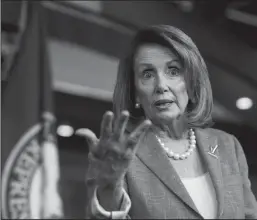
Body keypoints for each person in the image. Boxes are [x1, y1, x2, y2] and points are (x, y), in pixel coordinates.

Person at [79, 25, 257, 219]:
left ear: (192, 82)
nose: (161, 85)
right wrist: (108, 187)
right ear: (135, 91)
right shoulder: (121, 157)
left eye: (173, 71)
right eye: (147, 74)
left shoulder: (227, 146)